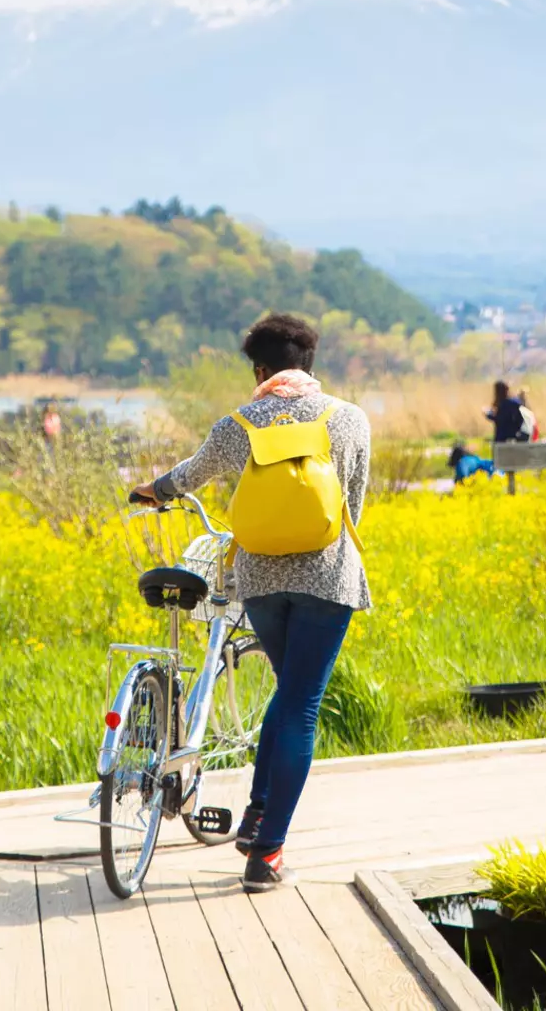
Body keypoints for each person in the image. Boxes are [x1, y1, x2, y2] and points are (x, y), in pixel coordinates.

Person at [129, 312, 369, 893]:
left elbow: (191, 474)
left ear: (260, 370)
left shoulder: (238, 423)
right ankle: (267, 851)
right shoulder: (349, 419)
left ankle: (260, 811)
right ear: (309, 364)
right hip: (327, 579)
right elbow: (353, 503)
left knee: (290, 698)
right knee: (300, 704)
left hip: (260, 578)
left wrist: (153, 490)